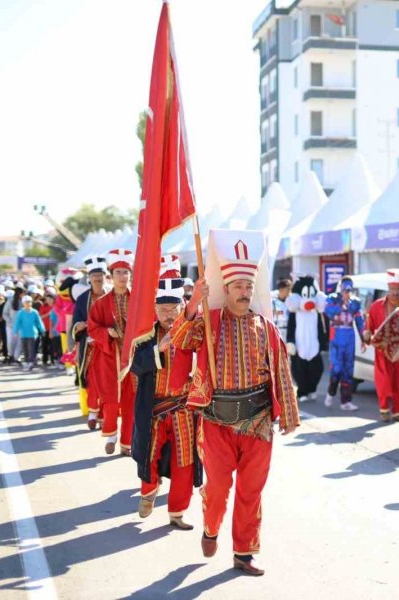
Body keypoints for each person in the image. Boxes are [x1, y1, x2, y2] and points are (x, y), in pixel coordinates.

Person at [170, 233, 298, 575]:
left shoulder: (266, 327)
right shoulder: (209, 322)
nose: (243, 291)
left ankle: (244, 553)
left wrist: (288, 413)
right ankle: (211, 527)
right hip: (217, 420)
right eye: (238, 286)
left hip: (258, 420)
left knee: (251, 491)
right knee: (218, 488)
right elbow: (180, 340)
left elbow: (281, 371)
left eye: (248, 286)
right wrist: (194, 302)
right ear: (226, 289)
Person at [130, 260, 201, 530]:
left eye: (173, 309)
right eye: (163, 310)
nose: (169, 315)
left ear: (183, 306)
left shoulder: (194, 330)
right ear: (154, 309)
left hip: (184, 408)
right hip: (154, 409)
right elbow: (134, 365)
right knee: (149, 454)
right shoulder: (145, 335)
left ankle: (177, 512)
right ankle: (148, 491)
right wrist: (157, 349)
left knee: (185, 461)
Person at [87, 249, 136, 456]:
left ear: (130, 275)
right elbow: (92, 328)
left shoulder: (139, 301)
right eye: (118, 272)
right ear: (111, 275)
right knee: (111, 398)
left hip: (134, 358)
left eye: (126, 272)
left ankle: (127, 443)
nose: (122, 276)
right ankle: (111, 435)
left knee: (131, 401)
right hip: (110, 358)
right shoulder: (101, 303)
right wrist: (107, 332)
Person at [363, 269, 399, 422]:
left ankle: (398, 412)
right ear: (388, 288)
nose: (395, 292)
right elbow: (368, 327)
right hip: (383, 352)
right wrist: (367, 335)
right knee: (383, 381)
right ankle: (383, 409)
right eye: (392, 289)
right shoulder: (376, 306)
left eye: (397, 289)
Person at [73, 255, 109, 430]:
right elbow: (75, 324)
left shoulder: (112, 296)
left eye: (100, 275)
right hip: (88, 347)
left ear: (105, 277)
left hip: (109, 346)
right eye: (94, 276)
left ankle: (103, 416)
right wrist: (79, 326)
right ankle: (93, 412)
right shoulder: (82, 299)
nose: (97, 279)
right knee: (92, 380)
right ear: (89, 278)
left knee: (107, 381)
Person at [324, 276, 365, 411]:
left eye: (349, 290)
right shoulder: (332, 299)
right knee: (336, 368)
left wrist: (364, 338)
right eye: (345, 289)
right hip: (336, 335)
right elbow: (328, 312)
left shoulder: (355, 303)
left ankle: (346, 401)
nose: (348, 292)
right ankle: (331, 392)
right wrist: (342, 302)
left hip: (349, 336)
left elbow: (359, 321)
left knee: (348, 369)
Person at [285, 275, 328, 402]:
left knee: (317, 369)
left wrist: (323, 342)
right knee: (299, 369)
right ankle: (302, 391)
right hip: (299, 345)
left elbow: (321, 328)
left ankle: (312, 388)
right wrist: (290, 341)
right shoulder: (295, 313)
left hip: (314, 345)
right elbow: (291, 327)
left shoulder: (315, 313)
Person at [14, 296, 46, 371]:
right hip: (23, 334)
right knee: (25, 349)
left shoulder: (34, 312)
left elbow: (39, 322)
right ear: (23, 303)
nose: (28, 304)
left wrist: (42, 330)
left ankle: (31, 362)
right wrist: (15, 331)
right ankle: (26, 362)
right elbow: (17, 323)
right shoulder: (20, 313)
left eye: (29, 302)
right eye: (26, 302)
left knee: (31, 348)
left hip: (32, 334)